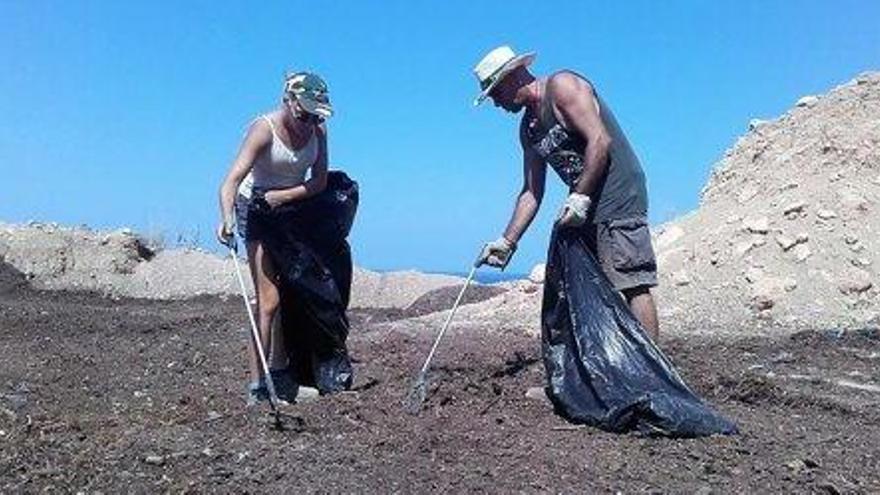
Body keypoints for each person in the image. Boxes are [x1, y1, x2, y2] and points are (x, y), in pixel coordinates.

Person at [472, 46, 659, 341]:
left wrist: (579, 196)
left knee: (631, 282)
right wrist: (507, 241)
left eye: (495, 93)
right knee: (575, 286)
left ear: (512, 77)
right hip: (582, 203)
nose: (496, 103)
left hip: (618, 193)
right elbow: (532, 191)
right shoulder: (529, 129)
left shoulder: (563, 86)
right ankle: (584, 380)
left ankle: (652, 377)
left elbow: (600, 140)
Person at [217, 72, 354, 405]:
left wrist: (286, 197)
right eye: (303, 114)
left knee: (302, 289)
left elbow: (320, 182)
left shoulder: (319, 129)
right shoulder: (264, 130)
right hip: (257, 210)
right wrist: (226, 219)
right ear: (288, 102)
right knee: (269, 300)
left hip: (292, 208)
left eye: (315, 115)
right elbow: (231, 181)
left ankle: (285, 370)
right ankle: (257, 387)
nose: (308, 122)